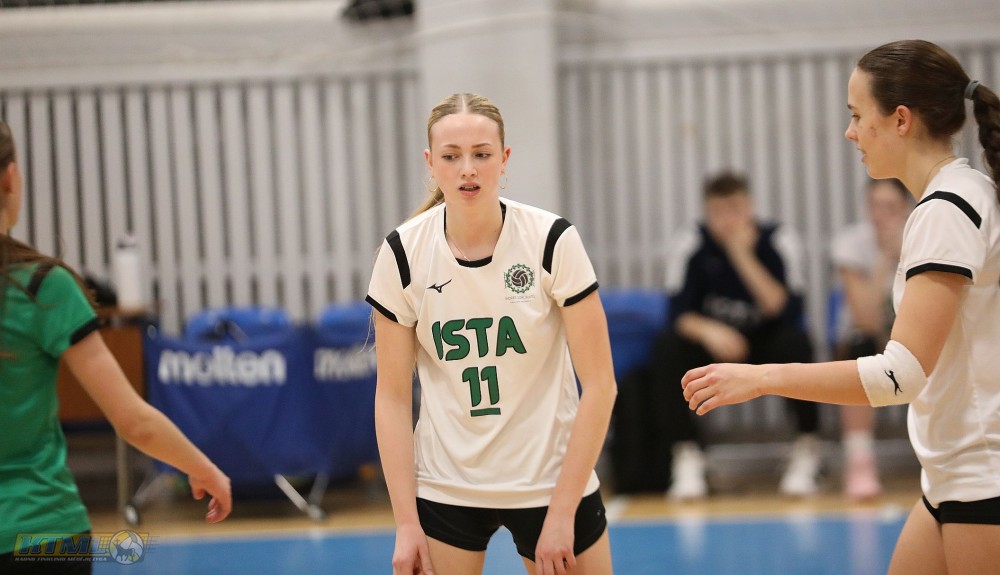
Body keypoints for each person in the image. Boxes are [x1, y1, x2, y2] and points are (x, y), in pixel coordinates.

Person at [681, 40, 1000, 574]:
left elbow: (900, 375)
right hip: (952, 474)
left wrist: (762, 378)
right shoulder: (961, 193)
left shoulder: (948, 208)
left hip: (982, 476)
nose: (850, 132)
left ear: (900, 119)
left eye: (856, 115)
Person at [366, 93, 617, 575]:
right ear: (430, 163)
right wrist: (406, 523)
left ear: (504, 159)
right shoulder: (402, 253)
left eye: (481, 154)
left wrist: (562, 513)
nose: (468, 169)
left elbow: (601, 385)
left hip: (549, 482)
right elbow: (392, 398)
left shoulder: (550, 240)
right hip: (447, 487)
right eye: (451, 156)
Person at [0, 120, 232, 573]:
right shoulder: (42, 287)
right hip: (40, 534)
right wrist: (203, 468)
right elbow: (133, 421)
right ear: (11, 177)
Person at [652, 171, 820, 500]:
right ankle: (687, 455)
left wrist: (741, 254)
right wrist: (710, 330)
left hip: (766, 342)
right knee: (667, 347)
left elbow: (785, 309)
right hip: (714, 344)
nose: (728, 220)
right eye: (718, 211)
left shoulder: (778, 240)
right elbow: (677, 314)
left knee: (797, 343)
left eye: (736, 209)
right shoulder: (691, 242)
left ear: (750, 207)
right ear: (706, 211)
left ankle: (807, 449)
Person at [830, 177, 912, 500]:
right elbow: (866, 319)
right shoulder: (851, 244)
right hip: (870, 337)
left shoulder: (923, 236)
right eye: (875, 207)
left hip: (914, 334)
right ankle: (859, 458)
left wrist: (904, 254)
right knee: (859, 348)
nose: (882, 215)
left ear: (906, 208)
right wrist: (885, 260)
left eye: (890, 207)